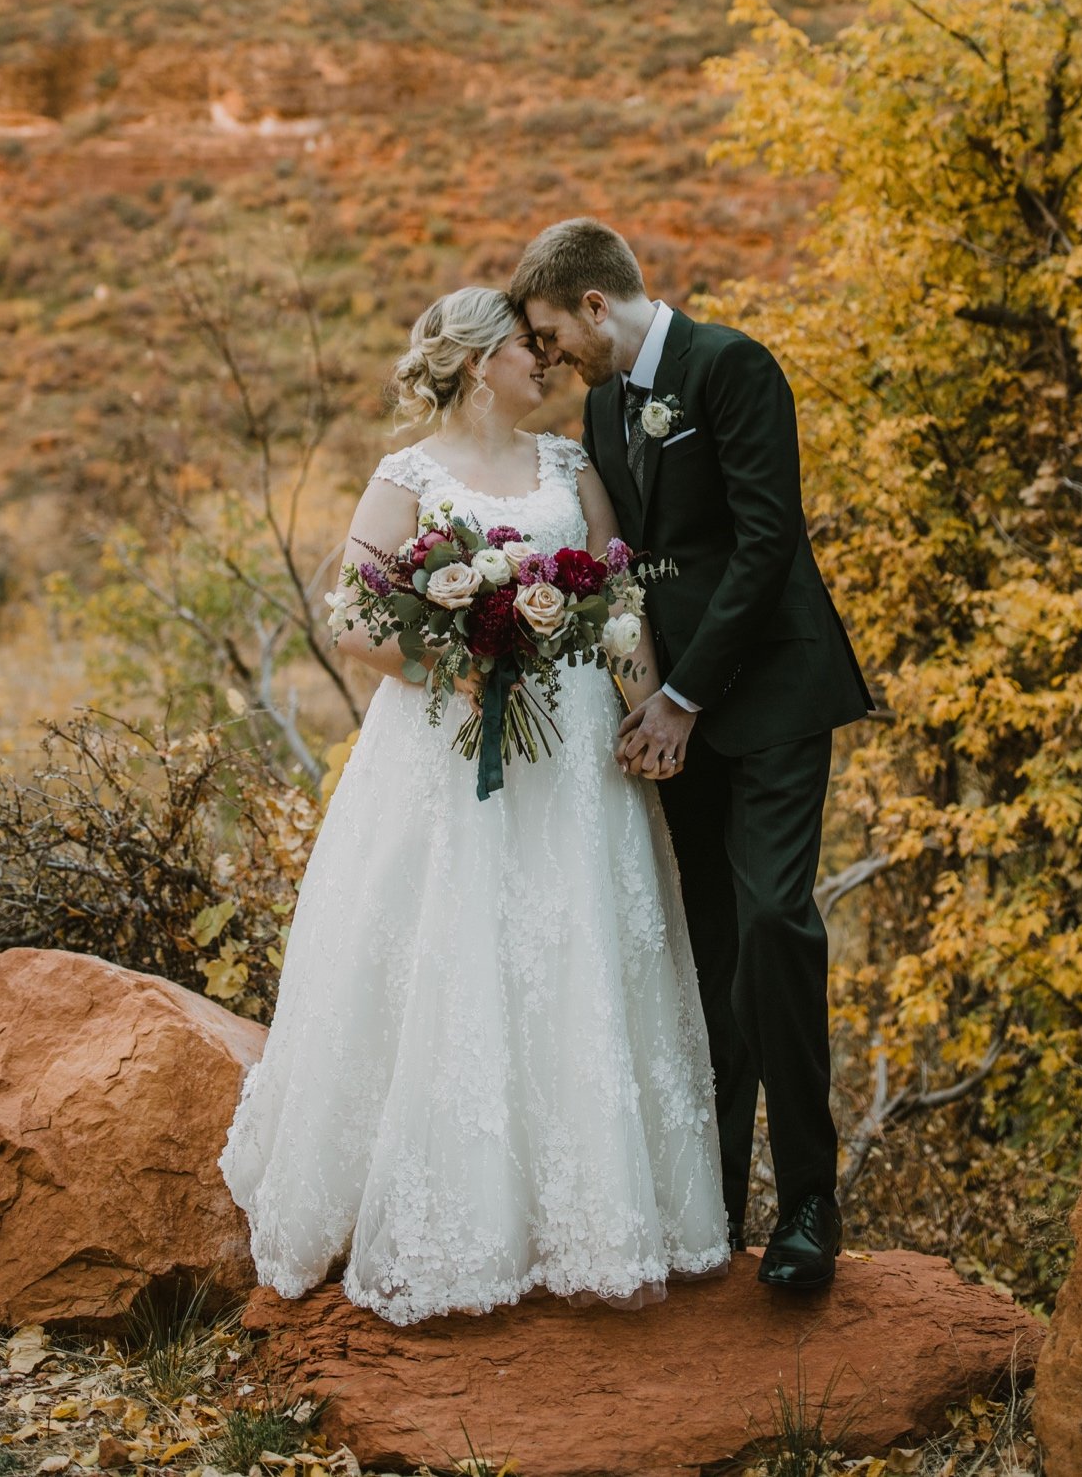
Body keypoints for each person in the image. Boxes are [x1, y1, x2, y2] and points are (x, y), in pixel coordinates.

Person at [220, 286, 729, 1324]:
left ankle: (584, 1216)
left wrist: (648, 717)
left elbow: (619, 600)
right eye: (522, 347)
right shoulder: (403, 477)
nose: (542, 361)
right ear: (470, 361)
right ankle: (452, 1218)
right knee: (451, 952)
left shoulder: (569, 463)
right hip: (447, 754)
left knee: (574, 950)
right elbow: (356, 618)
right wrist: (449, 655)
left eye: (542, 346)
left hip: (575, 758)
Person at [512, 220, 873, 1290]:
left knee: (773, 919)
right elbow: (630, 567)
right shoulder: (606, 404)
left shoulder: (732, 366)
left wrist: (681, 693)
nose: (549, 358)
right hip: (676, 716)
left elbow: (768, 543)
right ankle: (713, 1203)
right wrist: (635, 697)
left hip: (770, 690)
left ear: (591, 305)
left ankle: (810, 1199)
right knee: (708, 949)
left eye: (549, 332)